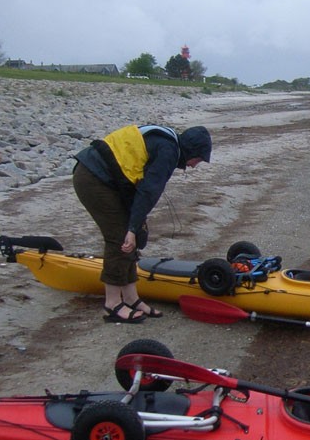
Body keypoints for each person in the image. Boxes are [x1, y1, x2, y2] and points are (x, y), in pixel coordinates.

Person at [72, 123, 212, 323]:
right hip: (93, 178)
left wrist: (136, 228)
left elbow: (136, 185)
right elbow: (148, 191)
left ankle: (131, 298)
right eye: (198, 160)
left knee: (134, 238)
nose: (194, 165)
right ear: (192, 150)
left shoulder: (168, 143)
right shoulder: (168, 151)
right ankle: (112, 304)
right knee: (120, 240)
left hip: (108, 180)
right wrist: (130, 228)